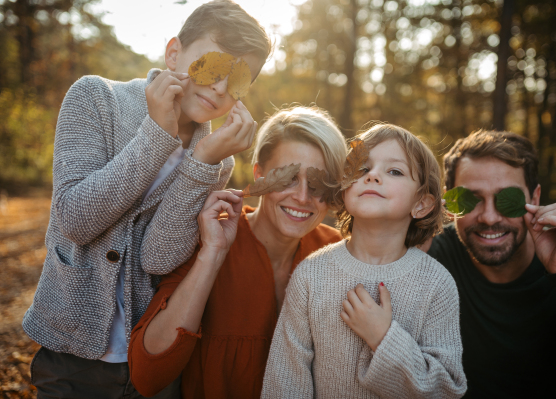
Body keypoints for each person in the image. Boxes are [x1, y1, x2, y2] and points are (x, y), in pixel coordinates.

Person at [23, 1, 271, 397]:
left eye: (239, 80)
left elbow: (157, 258)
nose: (221, 88)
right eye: (213, 67)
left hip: (150, 358)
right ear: (174, 53)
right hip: (69, 353)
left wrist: (203, 160)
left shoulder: (215, 158)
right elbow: (75, 219)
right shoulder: (96, 98)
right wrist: (157, 134)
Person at [127, 106, 347, 398]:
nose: (303, 197)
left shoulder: (337, 253)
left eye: (319, 183)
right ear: (259, 175)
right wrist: (212, 255)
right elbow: (147, 375)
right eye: (288, 177)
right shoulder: (208, 237)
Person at [261, 124, 468, 398]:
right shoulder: (311, 275)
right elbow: (285, 381)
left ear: (422, 203)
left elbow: (446, 389)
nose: (372, 176)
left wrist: (383, 338)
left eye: (394, 171)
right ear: (344, 189)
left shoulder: (436, 284)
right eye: (362, 169)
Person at [426, 130, 556, 398]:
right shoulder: (430, 258)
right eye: (472, 198)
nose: (489, 217)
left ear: (535, 197)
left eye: (509, 199)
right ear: (450, 202)